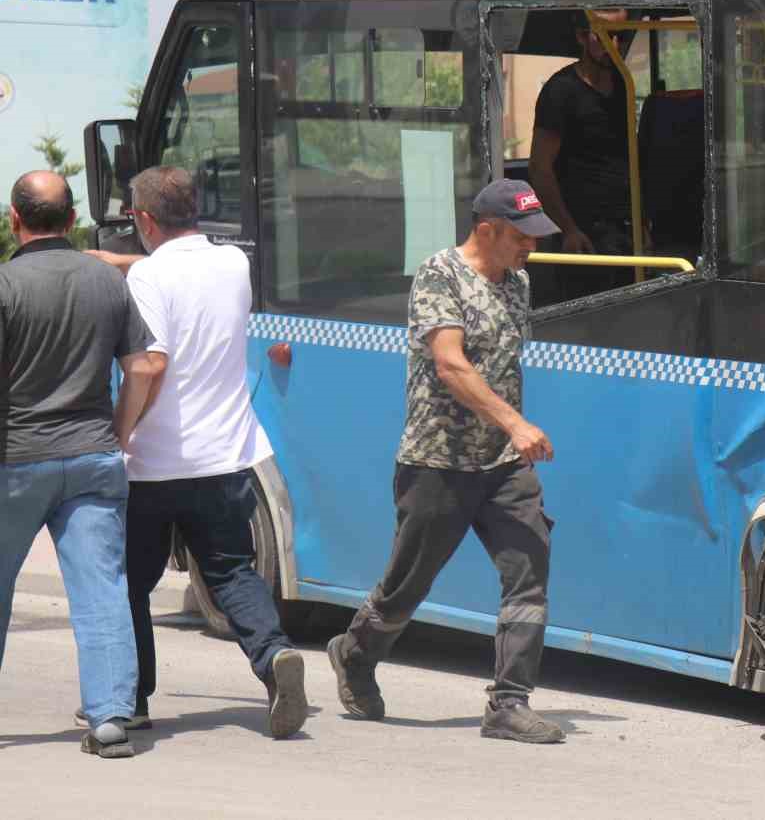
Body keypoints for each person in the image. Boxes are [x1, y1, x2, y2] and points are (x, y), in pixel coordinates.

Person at [327, 179, 565, 745]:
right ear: (487, 229)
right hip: (439, 459)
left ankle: (509, 703)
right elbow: (451, 366)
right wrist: (515, 422)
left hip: (503, 465)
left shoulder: (519, 283)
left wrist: (510, 435)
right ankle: (355, 652)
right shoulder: (440, 275)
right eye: (520, 236)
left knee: (529, 569)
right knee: (410, 583)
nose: (530, 247)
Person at [100, 165, 308, 739]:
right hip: (226, 456)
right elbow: (177, 274)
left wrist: (123, 431)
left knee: (130, 584)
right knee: (231, 570)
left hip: (155, 464)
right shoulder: (233, 262)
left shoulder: (148, 280)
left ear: (142, 219)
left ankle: (132, 698)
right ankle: (273, 657)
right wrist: (122, 264)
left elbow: (152, 363)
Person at [0, 171, 161, 759]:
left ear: (16, 220)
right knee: (101, 590)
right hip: (94, 457)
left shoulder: (6, 285)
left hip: (16, 459)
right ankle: (112, 718)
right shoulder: (108, 282)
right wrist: (117, 433)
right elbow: (142, 367)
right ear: (72, 221)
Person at [527, 9, 637, 302]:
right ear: (581, 37)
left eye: (620, 35)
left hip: (625, 228)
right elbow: (540, 168)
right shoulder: (561, 92)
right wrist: (569, 229)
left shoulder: (623, 86)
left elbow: (629, 159)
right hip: (584, 234)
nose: (613, 43)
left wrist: (642, 224)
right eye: (603, 35)